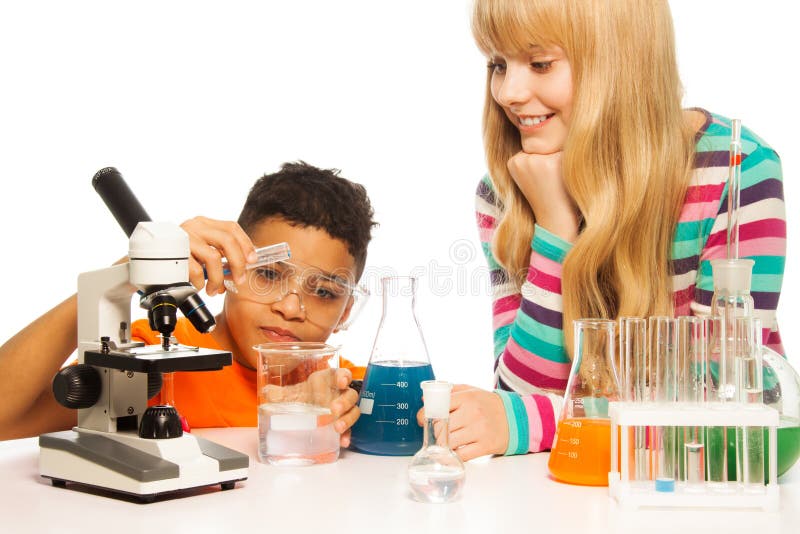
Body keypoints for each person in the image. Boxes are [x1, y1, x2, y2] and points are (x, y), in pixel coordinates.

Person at [431, 0, 786, 462]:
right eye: (498, 65)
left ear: (619, 62)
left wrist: (529, 422)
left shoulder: (738, 171)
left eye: (540, 64)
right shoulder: (506, 191)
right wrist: (554, 229)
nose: (509, 93)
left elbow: (719, 404)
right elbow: (521, 390)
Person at [0, 161, 377, 445]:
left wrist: (437, 423)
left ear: (345, 310)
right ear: (229, 267)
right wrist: (137, 267)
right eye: (269, 274)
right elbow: (5, 419)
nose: (292, 308)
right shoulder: (145, 357)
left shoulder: (339, 389)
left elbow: (428, 415)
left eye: (324, 291)